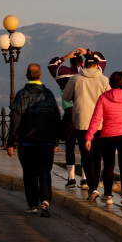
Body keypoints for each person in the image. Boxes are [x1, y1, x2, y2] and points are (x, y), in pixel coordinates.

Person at [7, 64, 61, 217]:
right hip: (46, 142)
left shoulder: (21, 95)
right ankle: (45, 200)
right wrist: (55, 140)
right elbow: (56, 118)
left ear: (27, 76)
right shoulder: (48, 94)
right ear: (40, 76)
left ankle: (32, 205)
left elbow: (15, 120)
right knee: (45, 172)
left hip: (26, 143)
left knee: (29, 174)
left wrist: (11, 142)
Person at [48, 48, 106, 189]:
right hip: (92, 115)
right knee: (87, 149)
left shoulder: (65, 74)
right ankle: (86, 180)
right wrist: (88, 52)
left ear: (71, 62)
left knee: (70, 146)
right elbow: (102, 59)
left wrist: (66, 56)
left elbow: (52, 65)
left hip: (71, 113)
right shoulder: (97, 73)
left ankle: (71, 178)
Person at [62, 53, 110, 204]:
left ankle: (92, 187)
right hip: (100, 123)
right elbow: (109, 99)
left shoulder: (76, 79)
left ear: (84, 65)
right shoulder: (104, 80)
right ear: (96, 66)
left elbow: (66, 97)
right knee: (97, 155)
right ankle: (95, 184)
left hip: (82, 121)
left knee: (86, 155)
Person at [85, 71, 122, 208]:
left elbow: (96, 119)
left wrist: (89, 137)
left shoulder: (103, 97)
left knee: (108, 165)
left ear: (110, 82)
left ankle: (108, 195)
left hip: (108, 136)